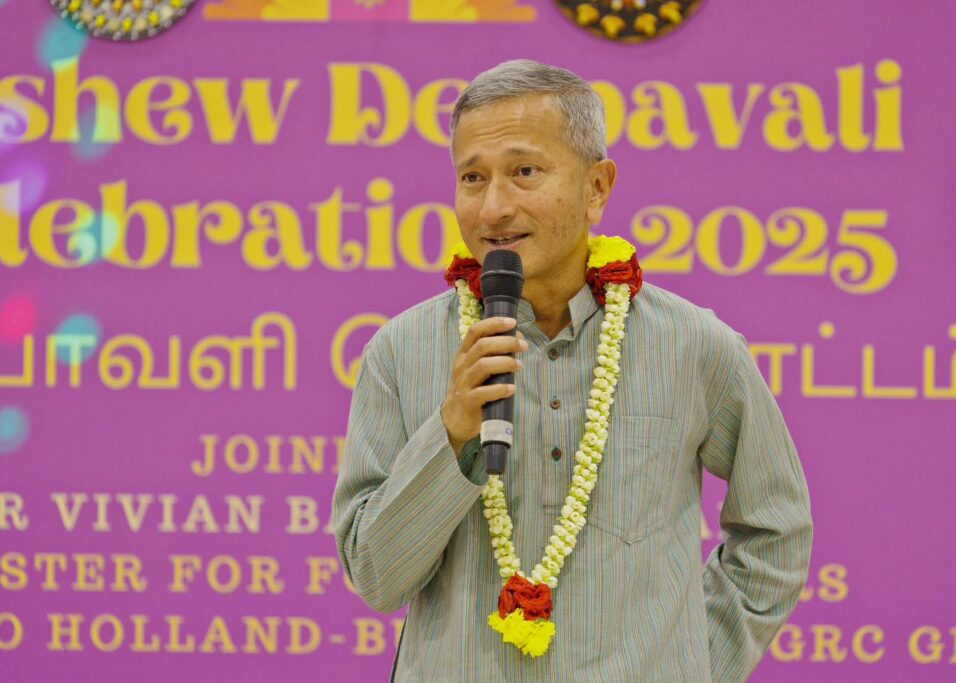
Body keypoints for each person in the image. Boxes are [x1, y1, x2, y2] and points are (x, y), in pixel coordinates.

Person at [331, 59, 813, 682]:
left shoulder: (693, 345)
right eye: (473, 178)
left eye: (524, 172)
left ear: (597, 188)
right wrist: (450, 433)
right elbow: (375, 578)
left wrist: (692, 664)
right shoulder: (401, 352)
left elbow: (776, 531)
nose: (494, 207)